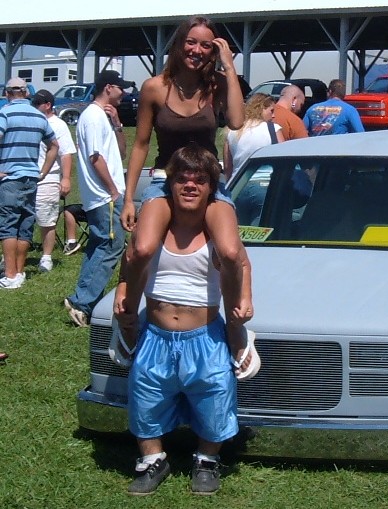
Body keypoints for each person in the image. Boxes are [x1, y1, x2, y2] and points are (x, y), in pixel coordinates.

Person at [116, 16, 254, 373]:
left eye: (206, 45)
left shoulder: (217, 86)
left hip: (208, 182)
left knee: (229, 251)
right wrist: (129, 198)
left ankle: (235, 327)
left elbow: (237, 121)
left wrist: (229, 67)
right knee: (142, 248)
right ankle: (127, 318)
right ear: (179, 44)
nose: (197, 50)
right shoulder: (154, 88)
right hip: (165, 179)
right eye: (191, 42)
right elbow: (140, 144)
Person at [115, 144, 251, 496]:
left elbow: (240, 260)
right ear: (170, 184)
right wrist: (123, 291)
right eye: (183, 180)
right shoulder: (156, 225)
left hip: (203, 336)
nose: (190, 186)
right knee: (146, 396)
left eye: (200, 180)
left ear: (211, 188)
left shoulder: (216, 230)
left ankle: (207, 459)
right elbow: (131, 257)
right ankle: (152, 459)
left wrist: (241, 312)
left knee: (214, 395)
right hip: (156, 334)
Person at [64, 70, 133, 326]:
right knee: (111, 246)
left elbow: (121, 154)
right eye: (120, 88)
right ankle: (82, 302)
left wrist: (117, 124)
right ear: (108, 88)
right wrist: (113, 190)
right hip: (105, 195)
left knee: (99, 245)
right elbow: (96, 158)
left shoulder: (103, 117)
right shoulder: (92, 117)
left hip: (105, 195)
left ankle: (83, 299)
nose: (124, 93)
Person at [0, 78, 59, 289]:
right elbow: (54, 145)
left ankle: (9, 275)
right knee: (25, 225)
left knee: (8, 226)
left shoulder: (5, 113)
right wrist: (43, 171)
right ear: (26, 93)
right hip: (32, 178)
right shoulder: (39, 116)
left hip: (10, 178)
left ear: (7, 93)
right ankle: (19, 271)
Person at [31, 89, 77, 272]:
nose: (34, 106)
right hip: (27, 176)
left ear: (48, 105)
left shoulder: (58, 125)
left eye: (37, 104)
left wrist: (65, 178)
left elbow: (66, 154)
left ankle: (46, 257)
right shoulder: (31, 121)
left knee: (47, 220)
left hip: (49, 177)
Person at [223, 92, 284, 181]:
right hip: (265, 180)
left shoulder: (232, 130)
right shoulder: (273, 129)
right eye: (271, 111)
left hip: (239, 182)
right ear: (261, 108)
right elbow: (283, 159)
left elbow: (227, 166)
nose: (273, 116)